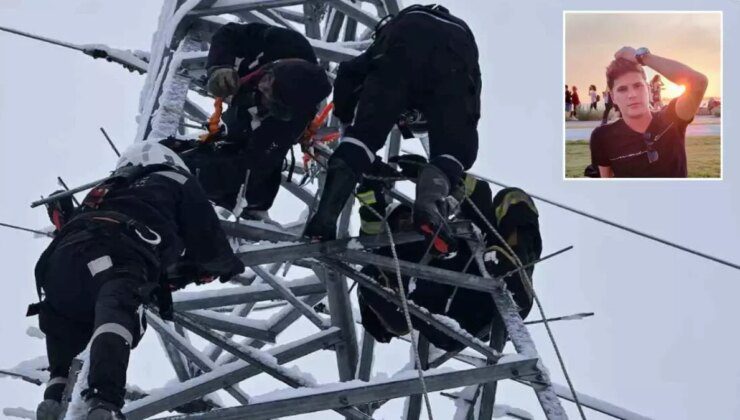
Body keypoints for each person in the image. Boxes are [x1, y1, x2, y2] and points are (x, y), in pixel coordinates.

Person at [33, 142, 245, 420]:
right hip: (118, 250)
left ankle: (56, 392)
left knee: (66, 318)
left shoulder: (106, 189)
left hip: (59, 263)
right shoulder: (175, 177)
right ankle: (103, 402)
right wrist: (227, 266)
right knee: (116, 309)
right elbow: (209, 243)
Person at [305, 4, 481, 255]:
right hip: (459, 50)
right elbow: (468, 107)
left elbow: (348, 73)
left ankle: (325, 217)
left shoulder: (390, 39)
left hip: (404, 39)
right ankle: (429, 207)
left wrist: (348, 125)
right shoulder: (453, 63)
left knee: (364, 137)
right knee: (455, 152)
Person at [355, 157, 542, 352]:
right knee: (368, 275)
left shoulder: (450, 234)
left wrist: (433, 175)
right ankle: (399, 310)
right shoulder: (386, 251)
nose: (408, 221)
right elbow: (371, 216)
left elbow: (478, 194)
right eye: (400, 219)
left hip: (490, 284)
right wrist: (367, 178)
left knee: (512, 199)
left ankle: (514, 269)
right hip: (445, 320)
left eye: (410, 215)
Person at [172, 22, 331, 220]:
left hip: (259, 127)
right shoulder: (284, 42)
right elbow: (228, 33)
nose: (262, 86)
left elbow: (251, 167)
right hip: (247, 87)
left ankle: (252, 206)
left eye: (267, 92)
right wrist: (219, 66)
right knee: (231, 138)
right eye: (268, 82)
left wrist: (192, 175)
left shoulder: (286, 125)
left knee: (250, 177)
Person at [589, 47, 707, 178]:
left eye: (638, 86)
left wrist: (643, 57)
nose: (632, 95)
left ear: (648, 88)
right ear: (613, 97)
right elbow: (606, 183)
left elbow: (698, 82)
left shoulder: (672, 118)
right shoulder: (603, 137)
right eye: (622, 89)